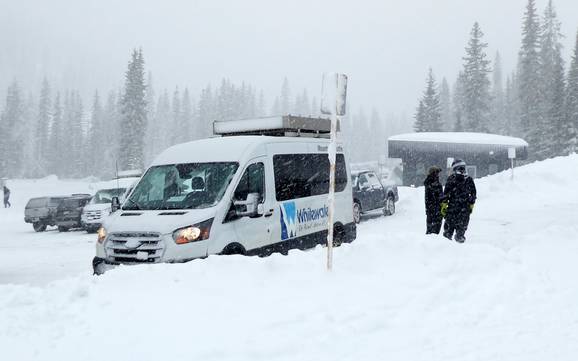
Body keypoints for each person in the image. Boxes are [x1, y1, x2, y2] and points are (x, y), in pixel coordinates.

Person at [441, 159, 476, 243]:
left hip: (459, 209)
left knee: (455, 231)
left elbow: (473, 194)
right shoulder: (455, 179)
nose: (462, 170)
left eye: (463, 168)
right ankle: (448, 246)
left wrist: (471, 203)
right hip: (457, 208)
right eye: (460, 168)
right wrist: (444, 205)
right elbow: (446, 194)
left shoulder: (467, 179)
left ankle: (457, 247)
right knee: (451, 232)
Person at [424, 166, 443, 234]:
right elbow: (436, 196)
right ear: (433, 173)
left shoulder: (434, 183)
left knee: (433, 229)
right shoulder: (432, 184)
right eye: (437, 173)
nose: (438, 175)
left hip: (433, 209)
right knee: (433, 230)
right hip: (434, 209)